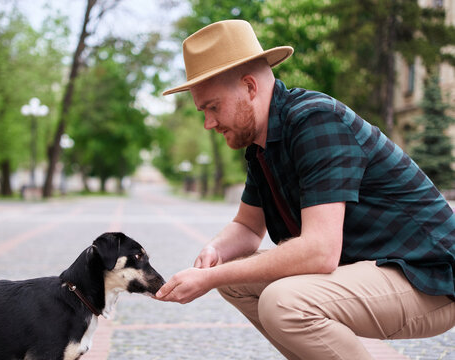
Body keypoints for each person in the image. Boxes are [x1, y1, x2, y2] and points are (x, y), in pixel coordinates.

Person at [155, 19, 455, 359]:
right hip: (376, 271)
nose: (208, 123)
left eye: (212, 107)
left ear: (250, 87)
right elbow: (247, 227)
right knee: (235, 283)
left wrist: (210, 279)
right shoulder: (262, 145)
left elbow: (319, 251)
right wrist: (213, 255)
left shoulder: (316, 122)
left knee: (284, 303)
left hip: (430, 280)